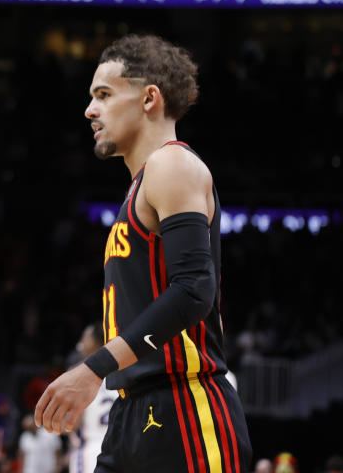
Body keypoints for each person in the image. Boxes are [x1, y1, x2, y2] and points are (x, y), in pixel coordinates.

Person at [35, 35, 253, 472]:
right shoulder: (139, 186)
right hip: (134, 407)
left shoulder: (172, 166)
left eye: (104, 94)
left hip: (186, 406)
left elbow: (194, 291)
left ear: (150, 98)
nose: (90, 110)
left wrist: (93, 368)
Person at [67, 324, 117, 473]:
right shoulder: (123, 370)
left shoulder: (77, 373)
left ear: (95, 342)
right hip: (119, 450)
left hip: (90, 449)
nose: (81, 343)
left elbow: (72, 423)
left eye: (85, 337)